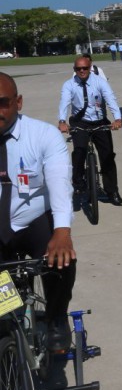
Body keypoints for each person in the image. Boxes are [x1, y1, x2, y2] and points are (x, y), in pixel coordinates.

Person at [0, 72, 76, 352]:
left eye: (2, 103)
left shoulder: (44, 135)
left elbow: (59, 183)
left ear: (18, 102)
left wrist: (62, 231)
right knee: (4, 312)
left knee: (62, 260)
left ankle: (56, 317)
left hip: (33, 222)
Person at [57, 54, 122, 206]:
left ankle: (112, 191)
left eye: (85, 68)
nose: (82, 71)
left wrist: (118, 119)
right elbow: (64, 103)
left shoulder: (100, 82)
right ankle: (79, 185)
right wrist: (62, 121)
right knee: (79, 151)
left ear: (90, 68)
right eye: (78, 69)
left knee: (107, 156)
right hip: (80, 122)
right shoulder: (69, 85)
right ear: (74, 69)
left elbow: (110, 99)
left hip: (99, 122)